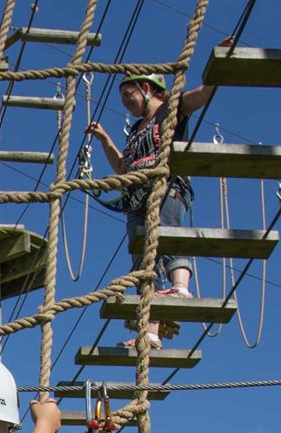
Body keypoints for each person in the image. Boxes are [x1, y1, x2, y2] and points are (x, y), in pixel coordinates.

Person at [84, 55, 227, 349]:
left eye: (129, 94)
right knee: (143, 262)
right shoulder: (137, 130)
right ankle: (149, 331)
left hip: (167, 186)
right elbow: (123, 168)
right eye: (122, 97)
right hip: (136, 197)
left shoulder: (170, 111)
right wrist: (104, 140)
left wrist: (220, 65)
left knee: (167, 234)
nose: (125, 101)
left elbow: (202, 95)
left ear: (147, 88)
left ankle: (181, 288)